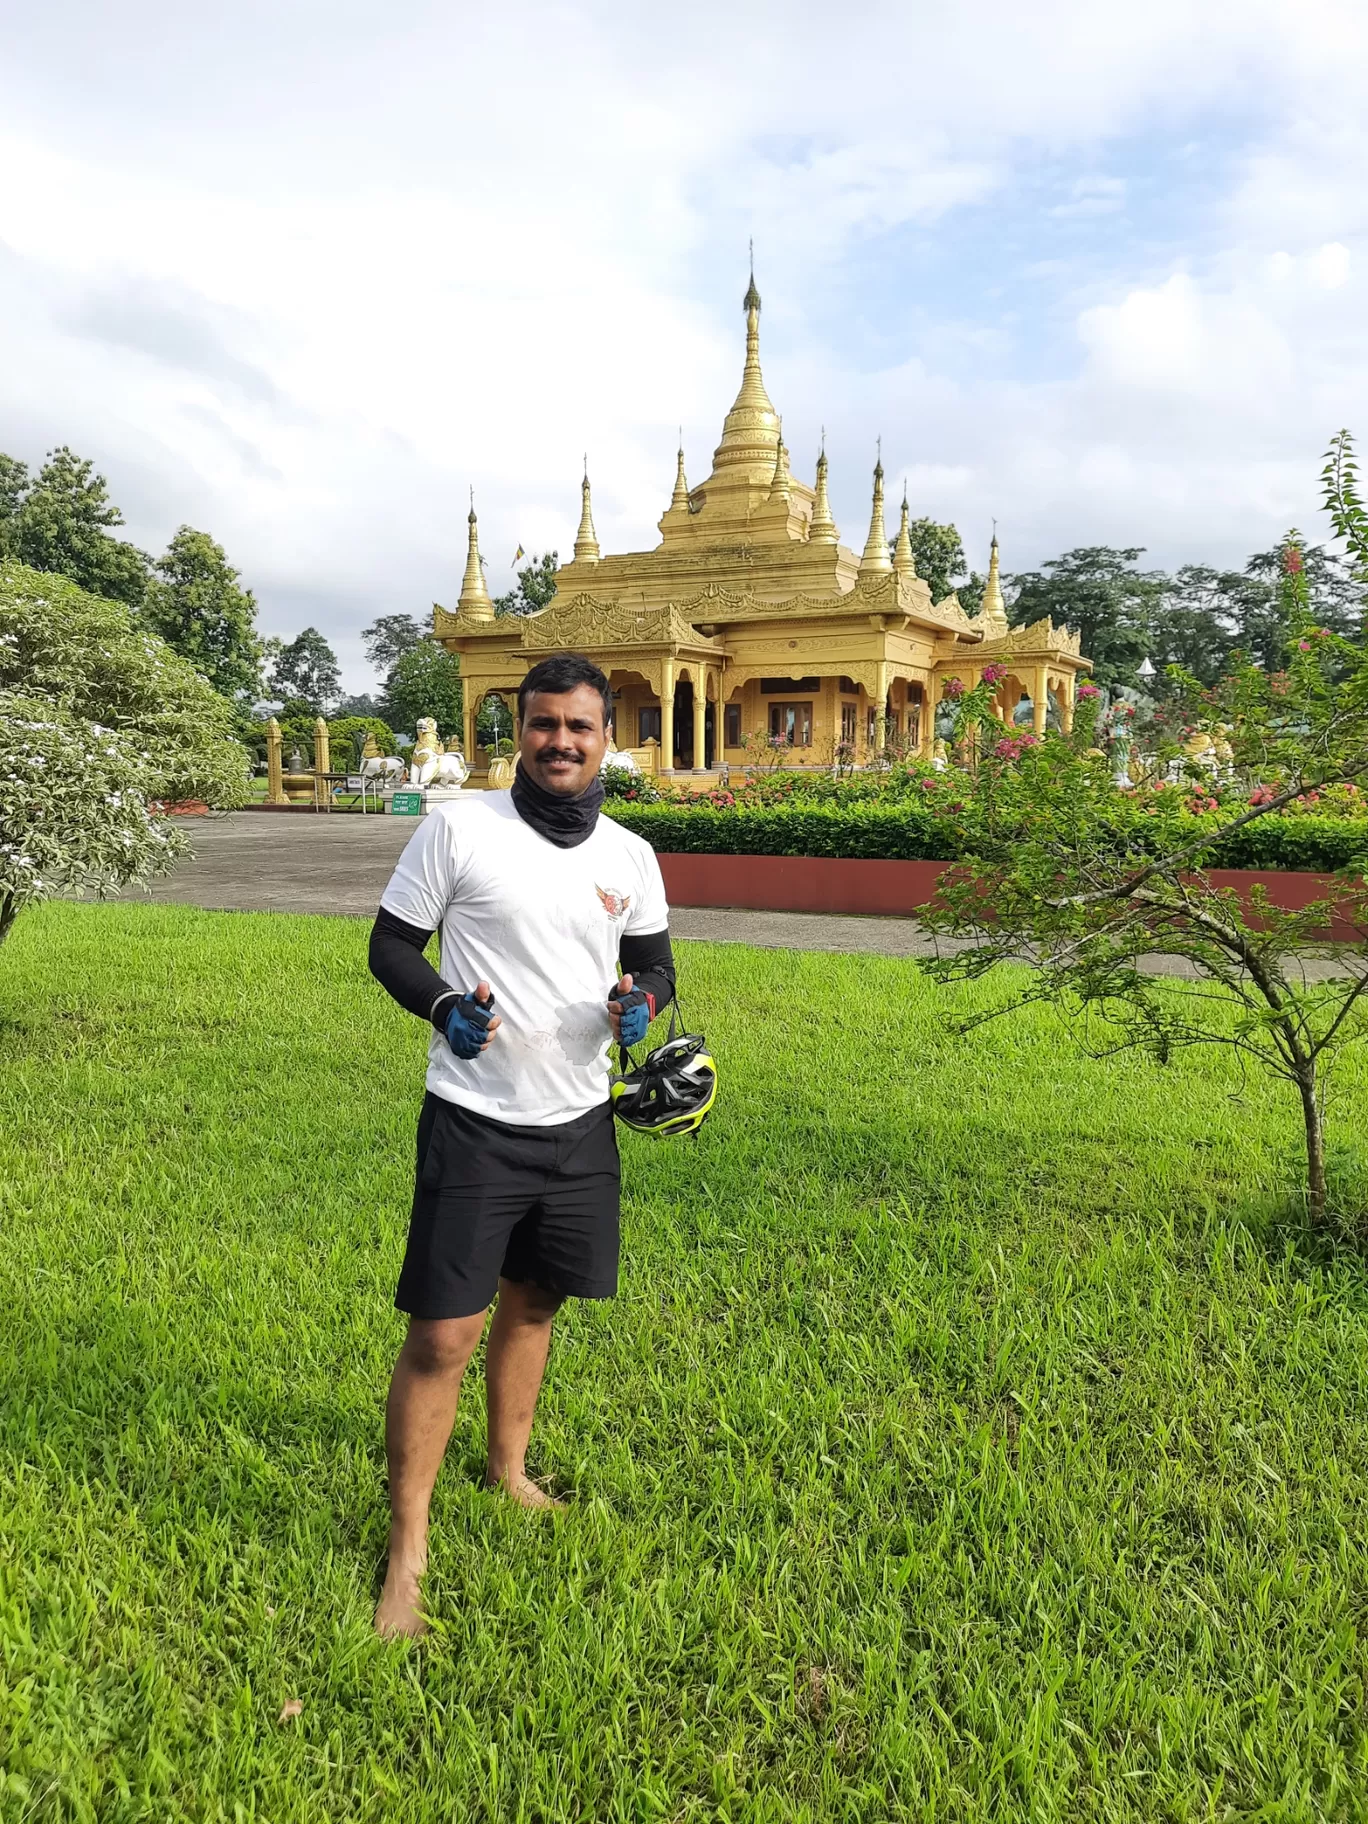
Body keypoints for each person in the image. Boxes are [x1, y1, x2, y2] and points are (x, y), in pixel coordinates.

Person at [366, 652, 676, 1638]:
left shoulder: (629, 855)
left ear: (605, 738)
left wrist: (644, 1008)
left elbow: (656, 964)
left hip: (580, 1125)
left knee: (536, 1305)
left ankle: (507, 1472)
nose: (561, 743)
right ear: (520, 733)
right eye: (545, 725)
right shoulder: (459, 830)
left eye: (580, 728)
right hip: (475, 1120)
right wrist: (445, 1005)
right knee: (443, 1335)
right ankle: (405, 1552)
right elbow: (389, 946)